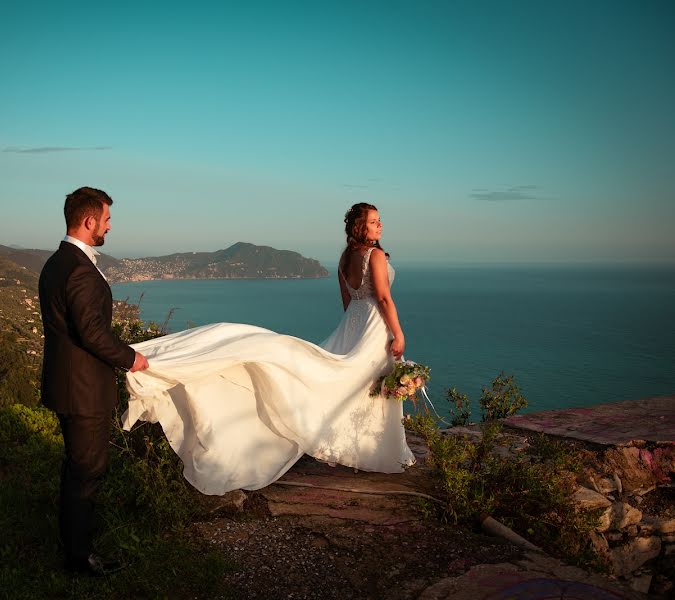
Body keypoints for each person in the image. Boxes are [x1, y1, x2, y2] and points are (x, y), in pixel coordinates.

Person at [122, 202, 414, 496]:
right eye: (374, 221)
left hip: (354, 323)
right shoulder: (375, 255)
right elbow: (385, 299)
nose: (380, 226)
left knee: (356, 382)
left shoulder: (343, 259)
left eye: (379, 221)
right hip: (374, 326)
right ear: (359, 227)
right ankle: (371, 450)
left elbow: (348, 303)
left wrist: (354, 330)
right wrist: (397, 333)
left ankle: (361, 449)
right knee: (370, 384)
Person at [39, 186, 149, 575]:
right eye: (106, 219)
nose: (109, 226)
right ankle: (79, 559)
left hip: (65, 385)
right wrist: (131, 358)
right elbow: (92, 333)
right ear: (89, 222)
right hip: (83, 391)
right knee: (87, 473)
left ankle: (73, 546)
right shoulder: (80, 270)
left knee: (76, 470)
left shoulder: (56, 263)